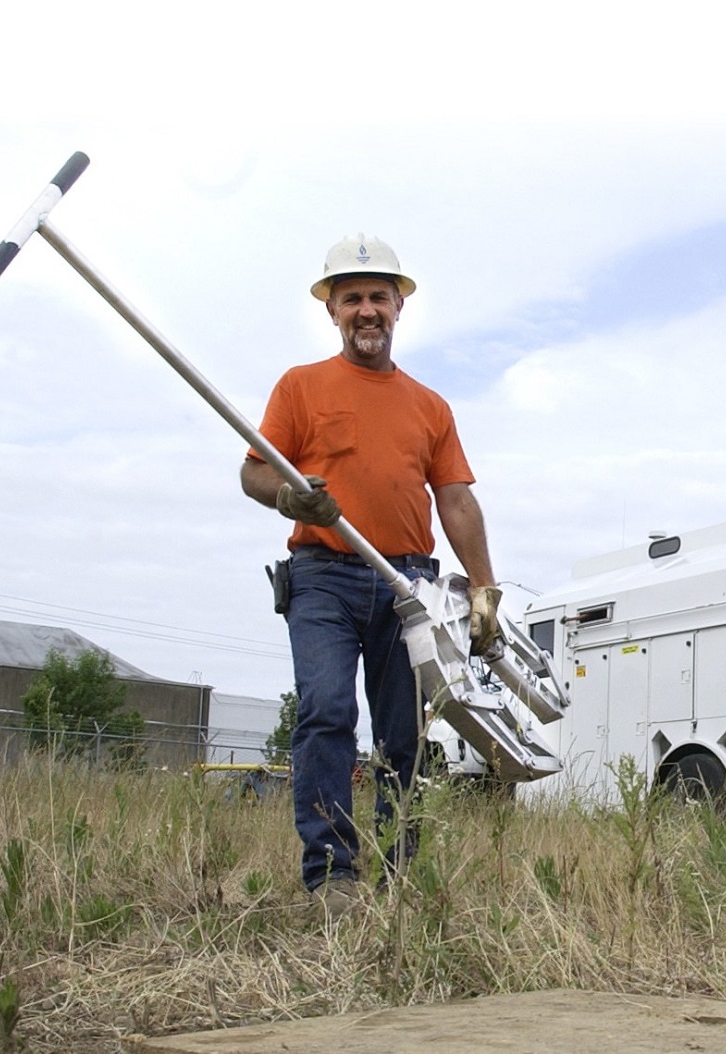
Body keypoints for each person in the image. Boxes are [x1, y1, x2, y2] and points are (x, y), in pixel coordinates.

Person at [241, 234, 503, 916]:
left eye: (378, 298)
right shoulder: (301, 386)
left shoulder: (429, 406)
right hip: (323, 575)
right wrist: (289, 497)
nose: (366, 311)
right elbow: (254, 470)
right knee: (327, 709)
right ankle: (332, 877)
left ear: (398, 309)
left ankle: (397, 876)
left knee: (402, 735)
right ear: (330, 309)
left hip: (407, 587)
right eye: (351, 297)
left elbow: (456, 498)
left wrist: (483, 590)